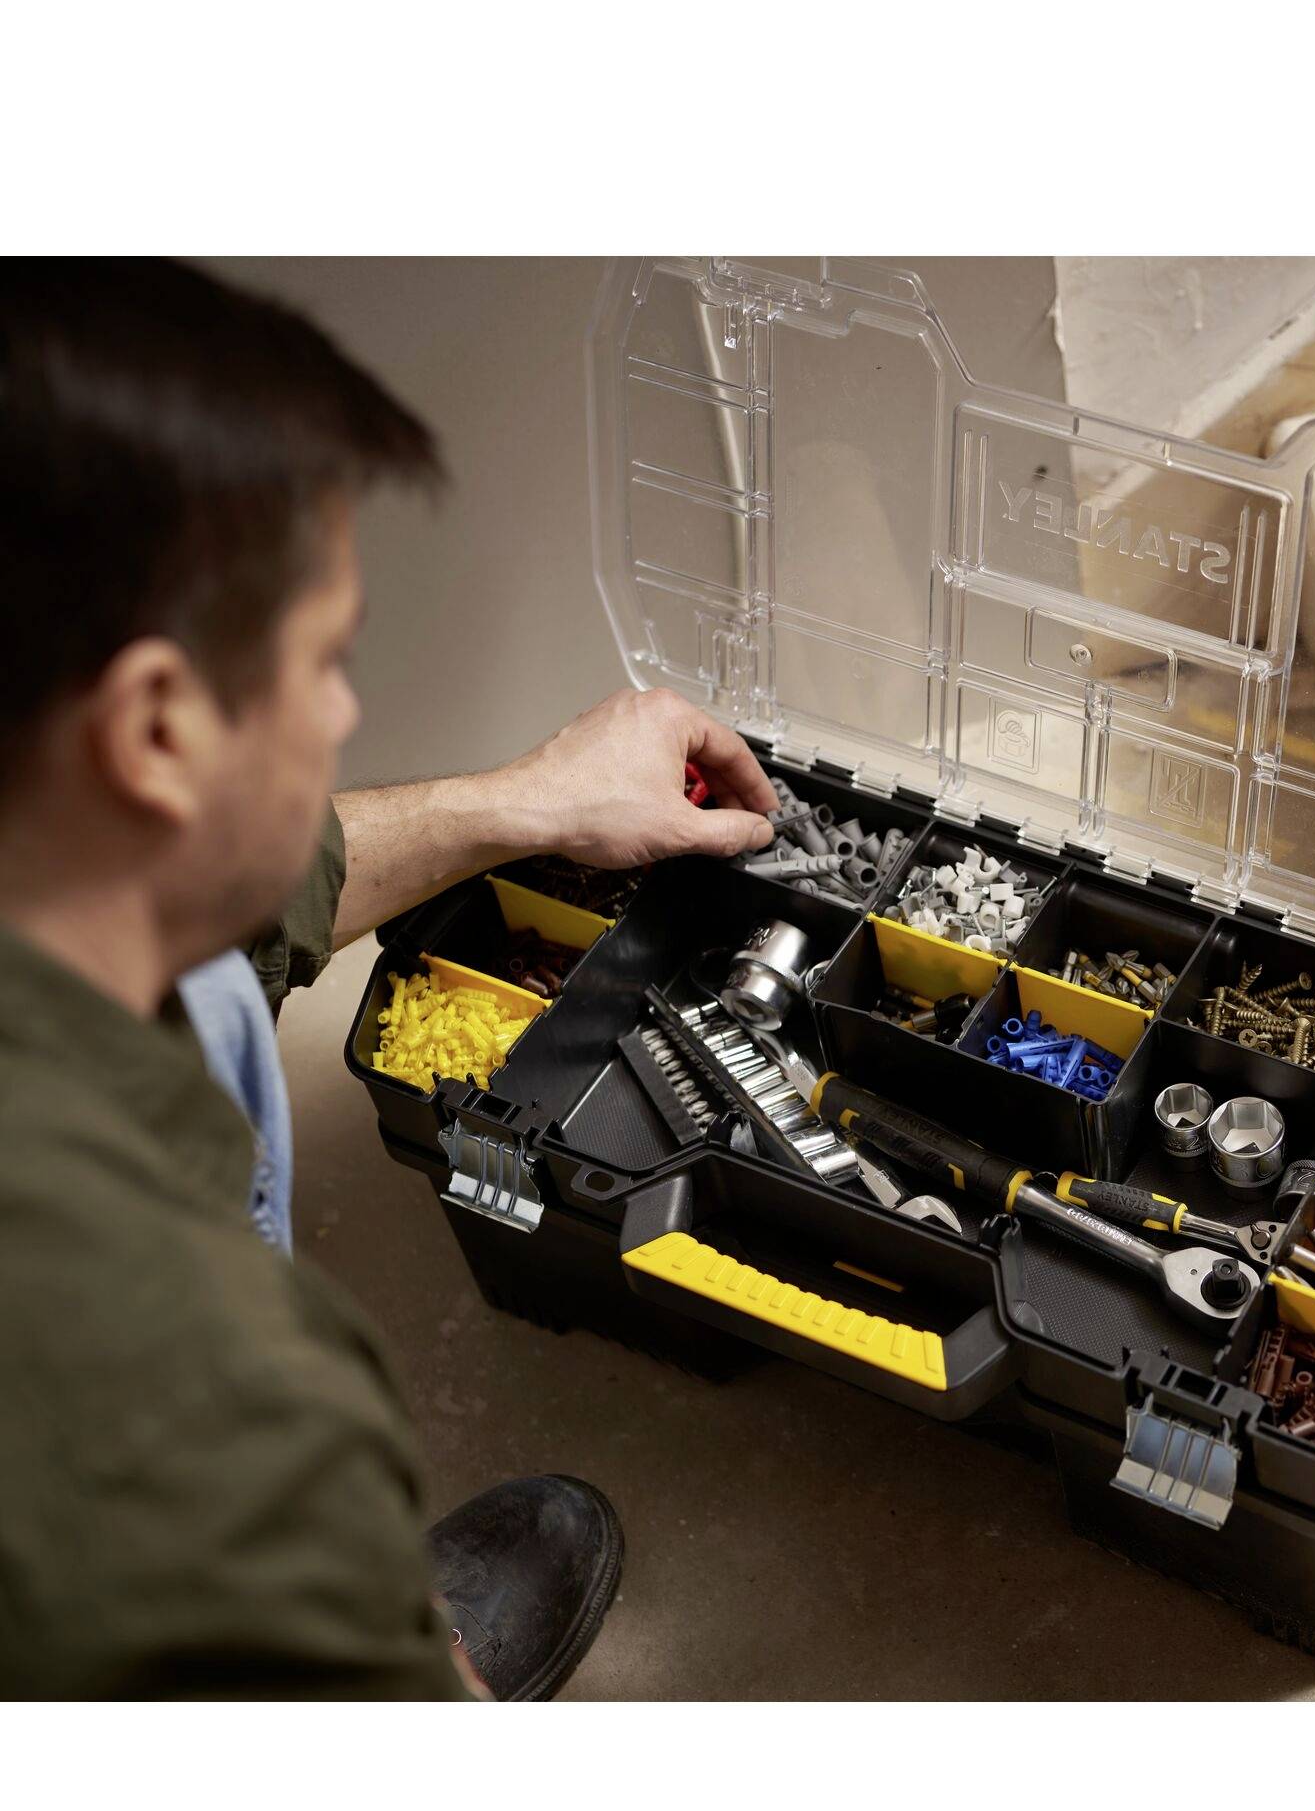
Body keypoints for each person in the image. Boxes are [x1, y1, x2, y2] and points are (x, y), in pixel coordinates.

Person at [0, 259, 778, 1699]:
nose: (347, 710)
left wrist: (523, 802)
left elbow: (240, 905)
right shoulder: (185, 1386)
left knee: (221, 996)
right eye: (325, 662)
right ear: (156, 730)